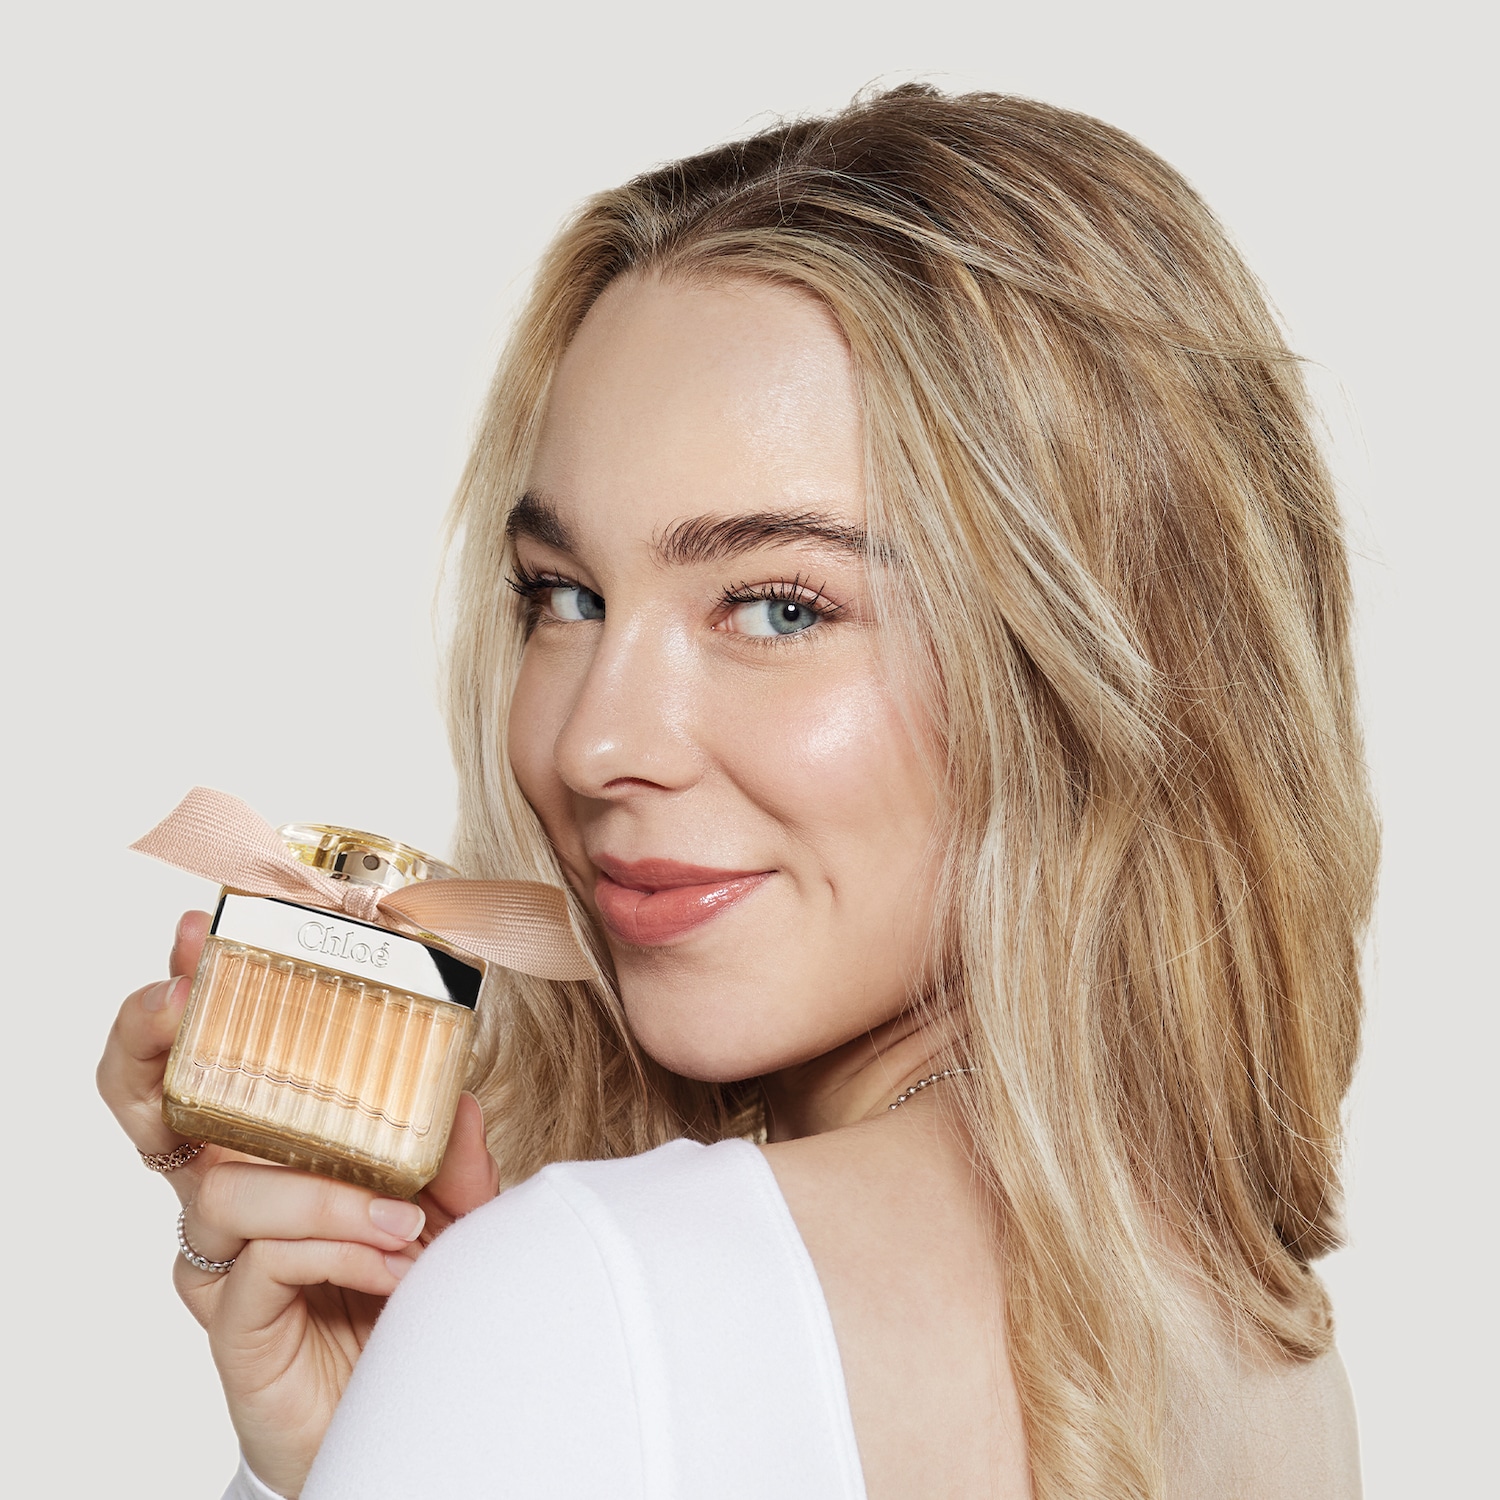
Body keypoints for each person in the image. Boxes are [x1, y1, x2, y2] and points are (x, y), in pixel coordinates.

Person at [98, 85, 1377, 1499]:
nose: (595, 744)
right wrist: (352, 1441)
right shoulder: (1260, 1341)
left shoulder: (597, 1294)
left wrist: (489, 1368)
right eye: (564, 594)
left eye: (778, 608)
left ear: (1092, 663)